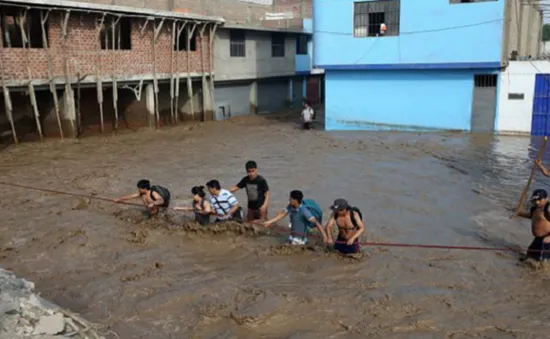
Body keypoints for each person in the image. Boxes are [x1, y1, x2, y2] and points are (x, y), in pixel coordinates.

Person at [517, 189, 550, 261]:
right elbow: (532, 216)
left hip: (547, 239)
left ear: (546, 198)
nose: (537, 202)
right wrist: (519, 213)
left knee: (543, 262)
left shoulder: (547, 208)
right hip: (538, 238)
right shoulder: (535, 208)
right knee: (529, 256)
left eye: (540, 199)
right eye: (535, 200)